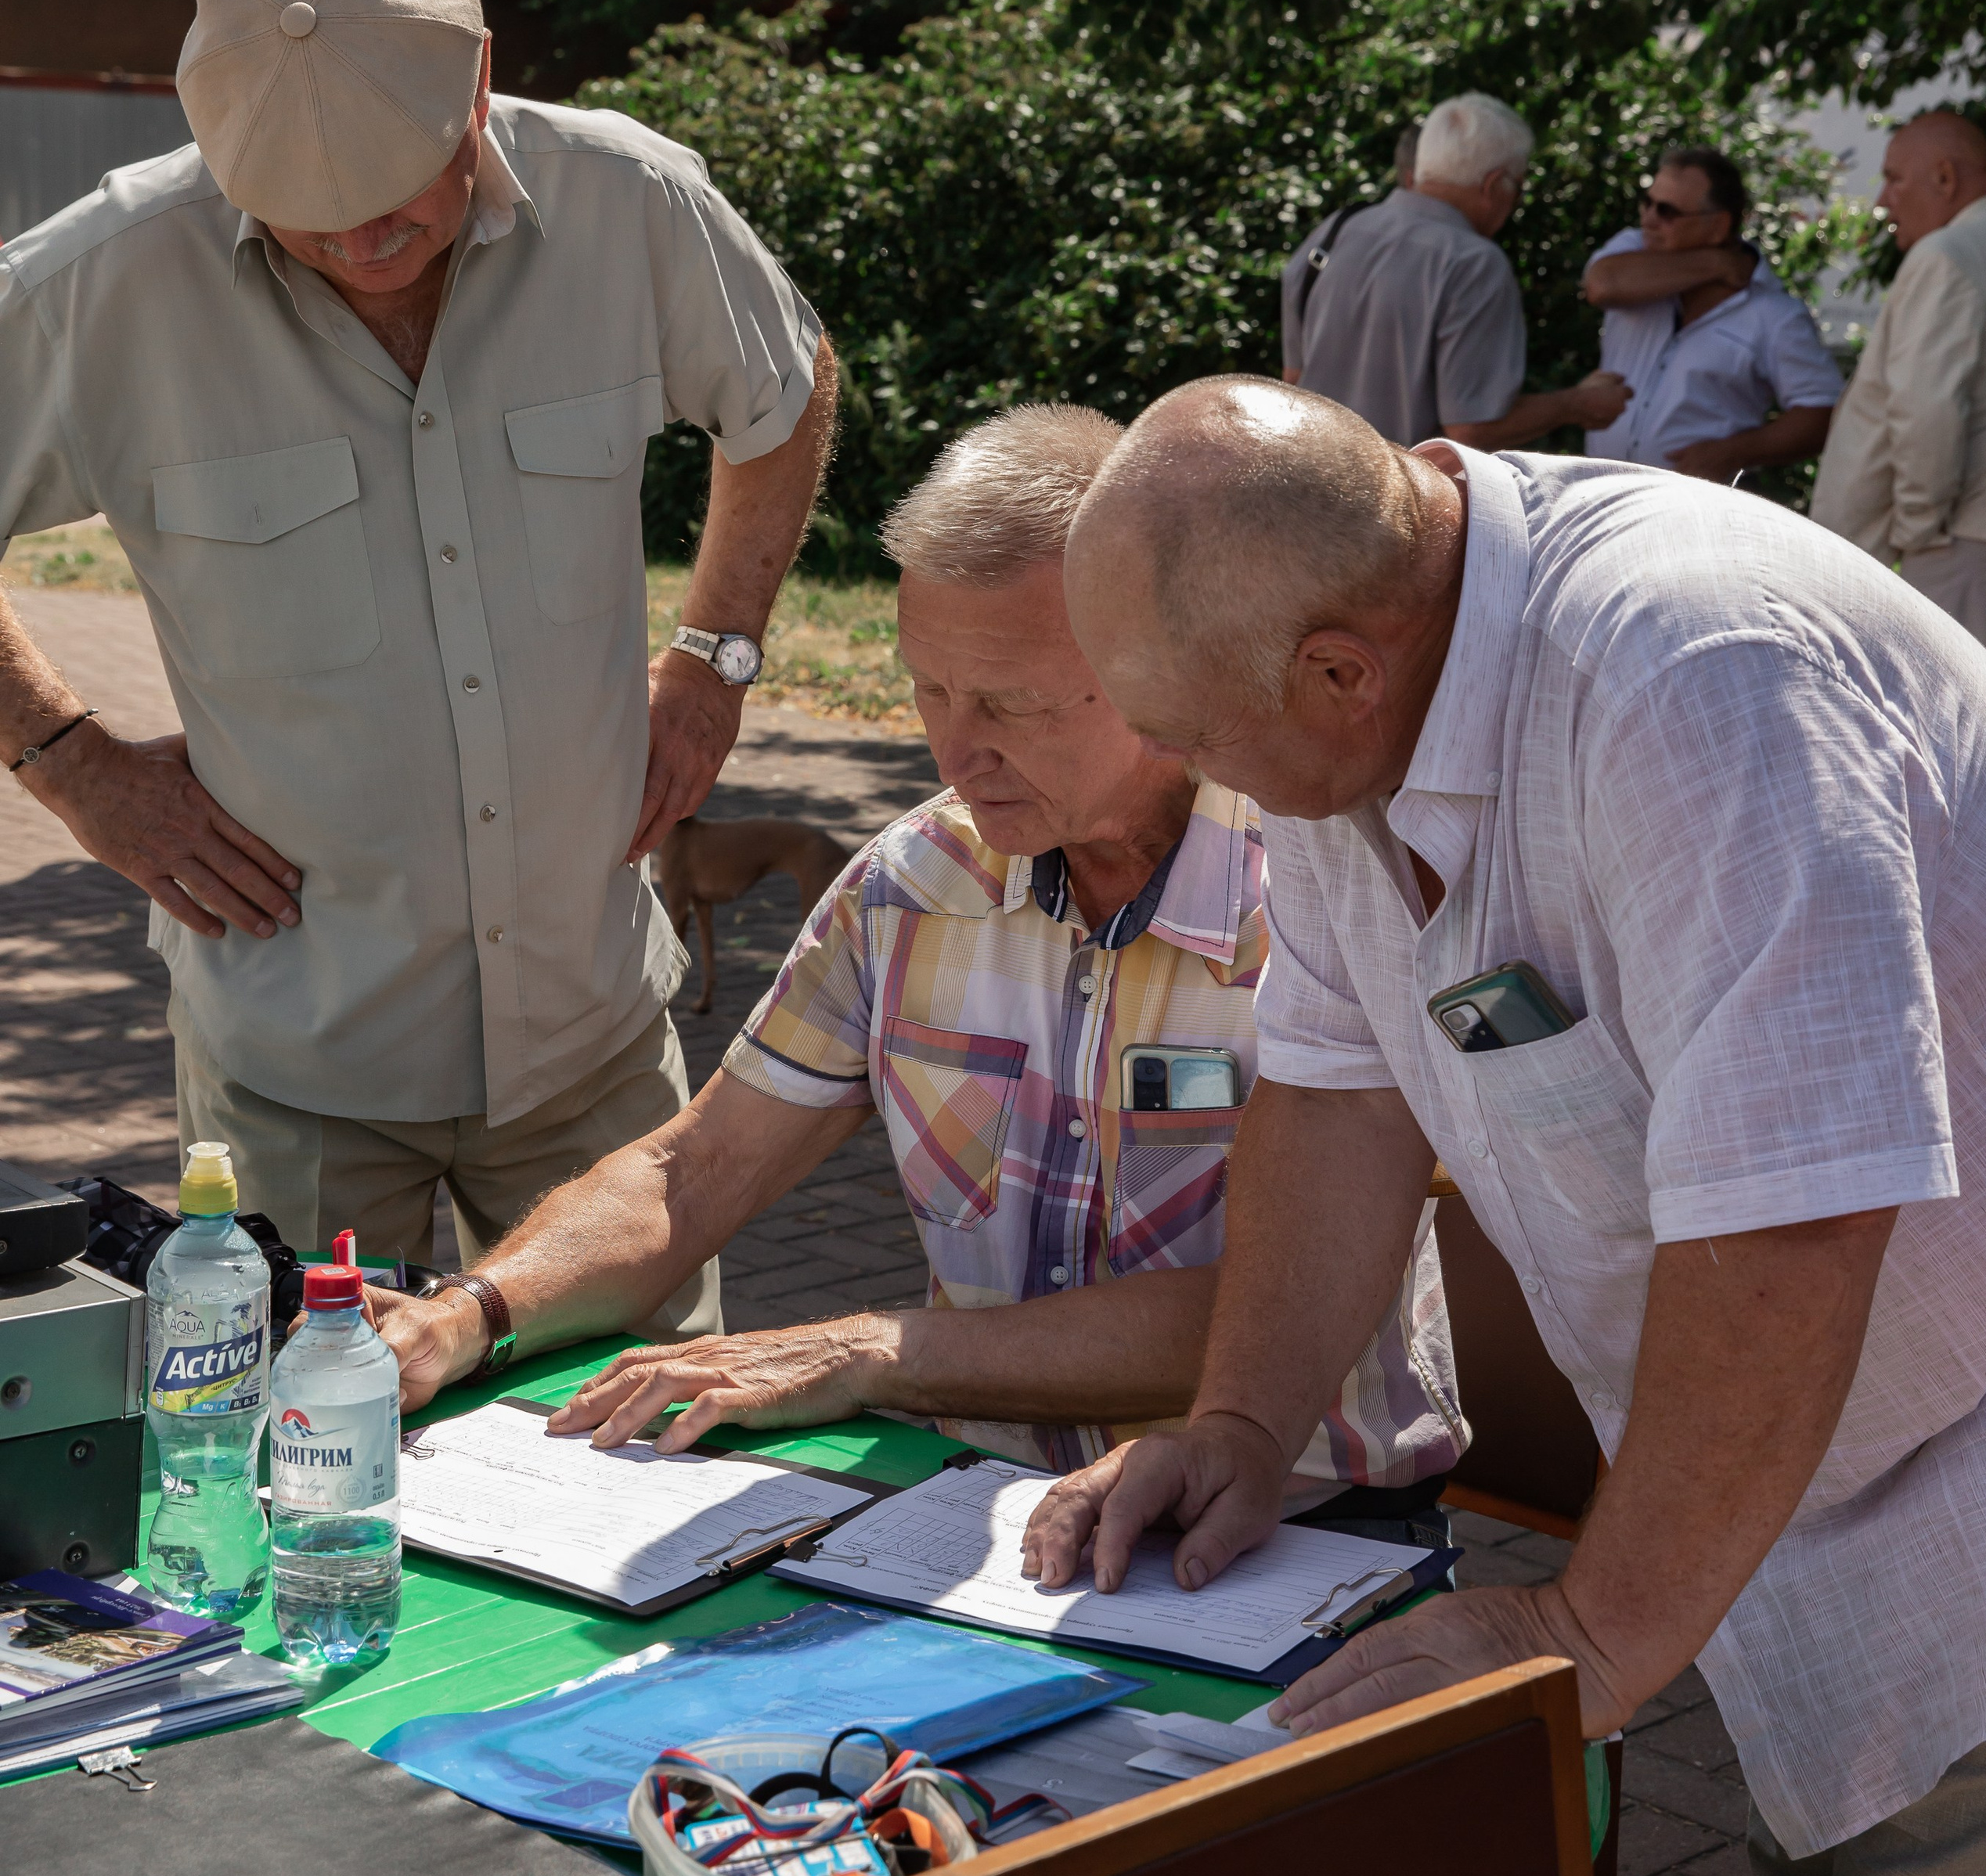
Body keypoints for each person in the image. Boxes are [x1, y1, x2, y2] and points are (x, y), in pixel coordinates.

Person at [1029, 377, 1986, 1876]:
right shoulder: (1364, 702)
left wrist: (1582, 1634)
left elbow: (1790, 1226)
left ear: (1335, 668)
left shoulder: (1695, 683)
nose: (1177, 773)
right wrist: (1243, 1420)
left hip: (1973, 1530)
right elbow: (1334, 1094)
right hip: (1800, 1520)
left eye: (1191, 730)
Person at [367, 405, 1465, 1542]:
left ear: (1159, 668)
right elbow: (690, 1175)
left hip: (1300, 1525)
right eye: (928, 689)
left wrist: (870, 1355)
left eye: (1010, 703)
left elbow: (1294, 1297)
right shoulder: (913, 883)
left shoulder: (1323, 893)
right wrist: (469, 1313)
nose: (953, 751)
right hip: (980, 1516)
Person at [0, 0, 835, 1319]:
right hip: (297, 1072)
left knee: (639, 1470)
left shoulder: (631, 202)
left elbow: (789, 388)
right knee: (303, 1486)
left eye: (400, 193)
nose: (364, 243)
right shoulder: (107, 281)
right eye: (310, 220)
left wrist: (714, 657)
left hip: (595, 1041)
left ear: (481, 82)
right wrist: (66, 762)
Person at [1285, 92, 1628, 449]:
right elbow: (1473, 429)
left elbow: (1293, 380)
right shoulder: (1474, 263)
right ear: (1494, 185)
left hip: (1308, 482)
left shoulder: (1336, 229)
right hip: (1398, 498)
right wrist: (1577, 405)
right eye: (1520, 186)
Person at [1813, 109, 1986, 657]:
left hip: (1957, 552)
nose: (1882, 201)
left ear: (1945, 178)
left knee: (1950, 735)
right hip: (1981, 540)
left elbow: (1926, 410)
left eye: (1895, 178)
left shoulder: (1948, 254)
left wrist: (1918, 530)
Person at [1581, 144, 1841, 481]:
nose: (1649, 219)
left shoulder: (1773, 314)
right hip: (1597, 495)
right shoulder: (1635, 247)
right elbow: (1602, 285)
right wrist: (1718, 263)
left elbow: (1822, 411)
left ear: (1719, 226)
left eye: (1667, 212)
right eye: (1647, 203)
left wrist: (1732, 452)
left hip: (1691, 513)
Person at [1279, 124, 1418, 384]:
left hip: (1320, 419)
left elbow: (1294, 376)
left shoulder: (1341, 226)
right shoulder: (1451, 256)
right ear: (1415, 177)